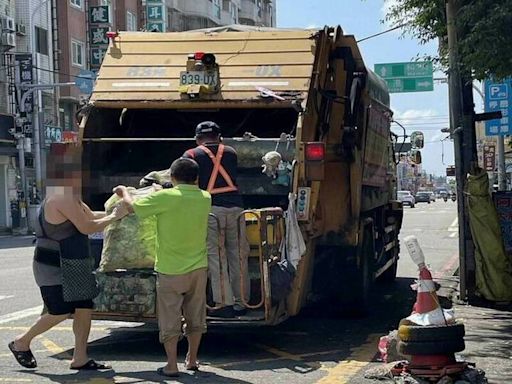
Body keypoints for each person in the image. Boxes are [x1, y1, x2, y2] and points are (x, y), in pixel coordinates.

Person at [8, 143, 127, 370]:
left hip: (75, 262)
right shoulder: (60, 196)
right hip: (53, 263)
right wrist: (114, 217)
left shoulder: (71, 195)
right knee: (59, 310)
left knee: (84, 306)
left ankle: (80, 357)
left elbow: (92, 215)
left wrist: (121, 211)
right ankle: (21, 342)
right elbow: (87, 227)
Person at [114, 157, 211, 378]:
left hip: (171, 269)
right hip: (198, 267)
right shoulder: (205, 197)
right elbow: (181, 197)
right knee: (196, 315)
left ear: (173, 177)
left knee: (170, 317)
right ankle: (192, 360)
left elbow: (132, 208)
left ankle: (171, 365)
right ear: (196, 178)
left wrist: (123, 192)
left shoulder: (165, 197)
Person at [183, 121, 250, 318]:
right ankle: (242, 302)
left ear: (197, 138)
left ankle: (224, 304)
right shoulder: (231, 152)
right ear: (219, 136)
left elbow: (185, 179)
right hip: (237, 209)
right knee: (238, 256)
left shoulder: (191, 155)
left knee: (216, 256)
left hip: (211, 210)